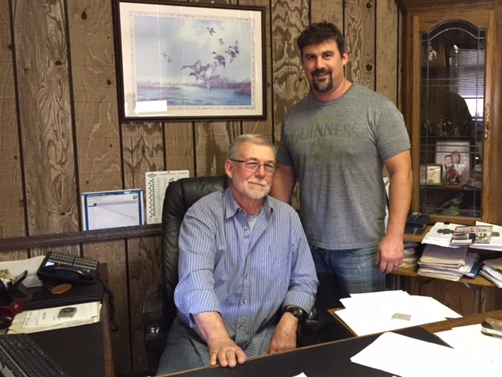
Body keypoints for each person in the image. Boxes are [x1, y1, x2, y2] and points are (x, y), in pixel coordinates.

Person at [270, 22, 413, 341]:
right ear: (304, 63)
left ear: (344, 57)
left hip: (362, 248)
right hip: (310, 249)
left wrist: (395, 236)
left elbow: (402, 171)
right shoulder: (294, 117)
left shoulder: (377, 109)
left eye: (327, 55)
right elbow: (283, 175)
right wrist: (278, 236)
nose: (319, 64)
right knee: (322, 334)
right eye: (310, 57)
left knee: (369, 336)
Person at [157, 134, 318, 373]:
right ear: (230, 168)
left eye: (268, 166)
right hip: (198, 338)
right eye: (252, 164)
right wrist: (219, 339)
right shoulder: (202, 215)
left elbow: (305, 281)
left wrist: (290, 320)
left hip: (262, 335)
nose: (261, 173)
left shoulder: (288, 218)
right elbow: (196, 282)